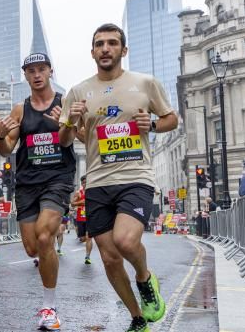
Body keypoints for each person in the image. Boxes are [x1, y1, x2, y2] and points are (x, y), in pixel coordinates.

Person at [58, 23, 177, 332]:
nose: (105, 48)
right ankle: (138, 318)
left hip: (135, 175)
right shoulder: (78, 91)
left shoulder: (144, 83)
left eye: (112, 43)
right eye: (100, 44)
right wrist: (71, 120)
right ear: (93, 52)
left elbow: (171, 118)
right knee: (109, 258)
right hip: (97, 181)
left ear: (123, 50)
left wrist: (151, 124)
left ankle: (144, 278)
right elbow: (65, 140)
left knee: (125, 241)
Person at [0, 52, 77, 330]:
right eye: (31, 71)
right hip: (27, 182)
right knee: (32, 248)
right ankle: (48, 252)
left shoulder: (64, 102)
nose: (37, 75)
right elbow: (6, 150)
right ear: (26, 75)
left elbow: (68, 140)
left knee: (44, 235)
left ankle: (49, 307)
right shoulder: (20, 110)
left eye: (42, 69)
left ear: (50, 72)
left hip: (58, 177)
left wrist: (63, 124)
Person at [71, 175, 93, 264]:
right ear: (81, 183)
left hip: (90, 217)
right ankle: (82, 238)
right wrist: (82, 202)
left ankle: (87, 257)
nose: (85, 184)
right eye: (83, 182)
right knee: (83, 238)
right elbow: (72, 203)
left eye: (86, 182)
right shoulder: (78, 193)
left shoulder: (93, 192)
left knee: (89, 238)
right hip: (80, 217)